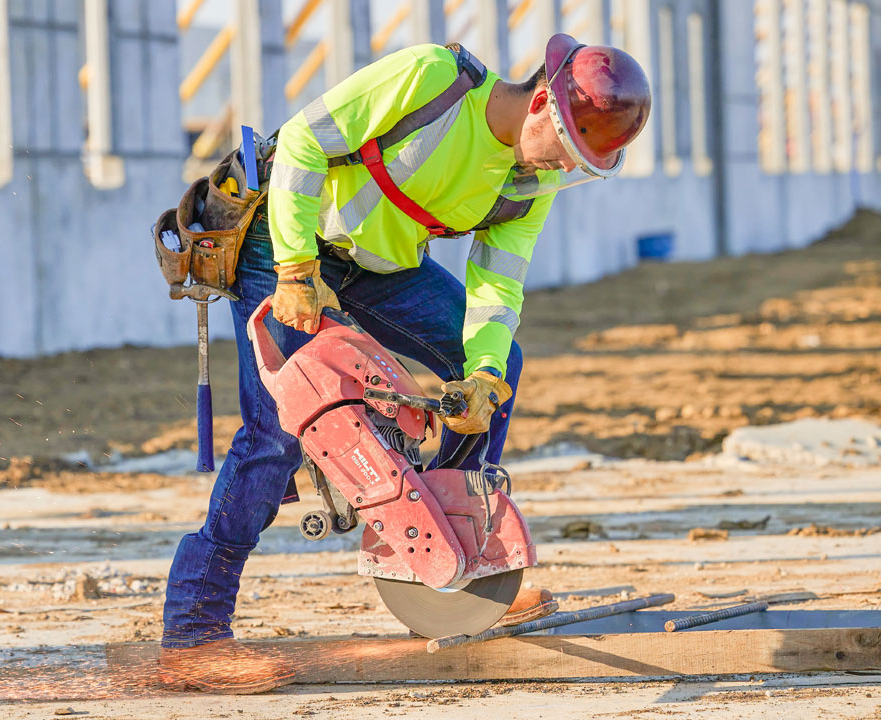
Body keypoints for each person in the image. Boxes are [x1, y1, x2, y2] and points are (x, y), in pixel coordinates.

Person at [159, 33, 651, 694]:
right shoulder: (431, 80)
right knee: (280, 427)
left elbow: (497, 289)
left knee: (501, 367)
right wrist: (297, 271)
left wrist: (480, 377)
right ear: (540, 103)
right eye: (567, 148)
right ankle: (194, 633)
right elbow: (305, 142)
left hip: (381, 264)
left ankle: (453, 563)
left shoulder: (529, 184)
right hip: (287, 236)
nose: (562, 168)